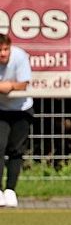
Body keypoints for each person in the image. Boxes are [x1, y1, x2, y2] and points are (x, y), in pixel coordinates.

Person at [0, 32, 32, 208]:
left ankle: (10, 190)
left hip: (21, 109)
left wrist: (10, 86)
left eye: (6, 49)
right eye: (0, 50)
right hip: (0, 109)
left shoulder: (19, 56)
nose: (3, 53)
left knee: (16, 150)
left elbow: (23, 84)